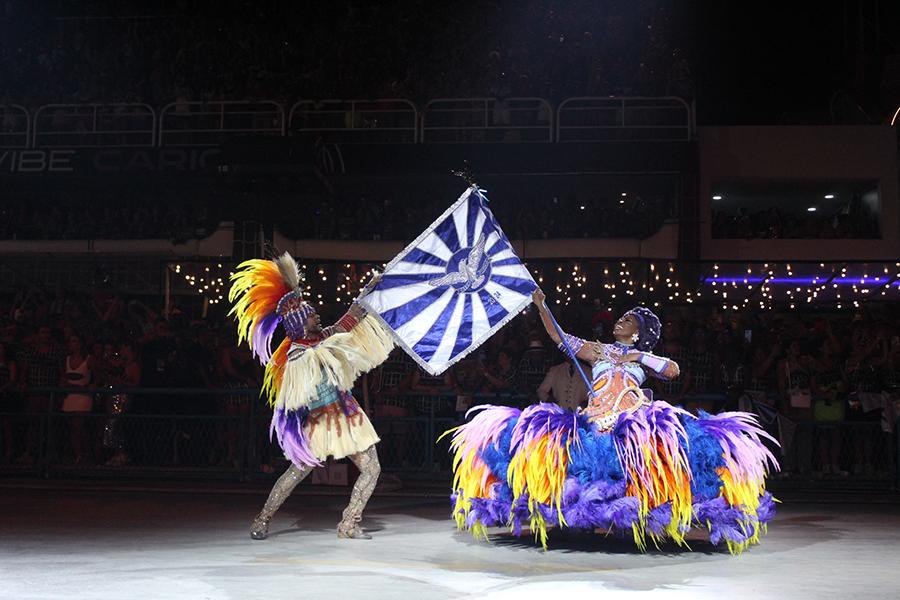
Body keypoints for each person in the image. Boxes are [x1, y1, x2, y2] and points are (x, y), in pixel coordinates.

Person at [446, 288, 778, 554]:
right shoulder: (598, 350)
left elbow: (673, 370)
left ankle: (633, 519)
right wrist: (543, 308)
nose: (619, 322)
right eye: (620, 319)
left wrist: (637, 357)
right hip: (595, 417)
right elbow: (561, 339)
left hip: (629, 420)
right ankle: (581, 522)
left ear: (639, 333)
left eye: (627, 320)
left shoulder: (642, 357)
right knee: (587, 471)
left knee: (631, 469)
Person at [230, 253, 393, 541]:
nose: (318, 315)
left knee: (372, 468)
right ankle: (262, 518)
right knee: (295, 473)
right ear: (301, 322)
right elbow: (304, 383)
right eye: (312, 314)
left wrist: (372, 287)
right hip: (318, 423)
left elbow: (352, 316)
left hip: (348, 417)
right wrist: (331, 345)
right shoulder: (296, 354)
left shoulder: (324, 337)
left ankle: (349, 523)